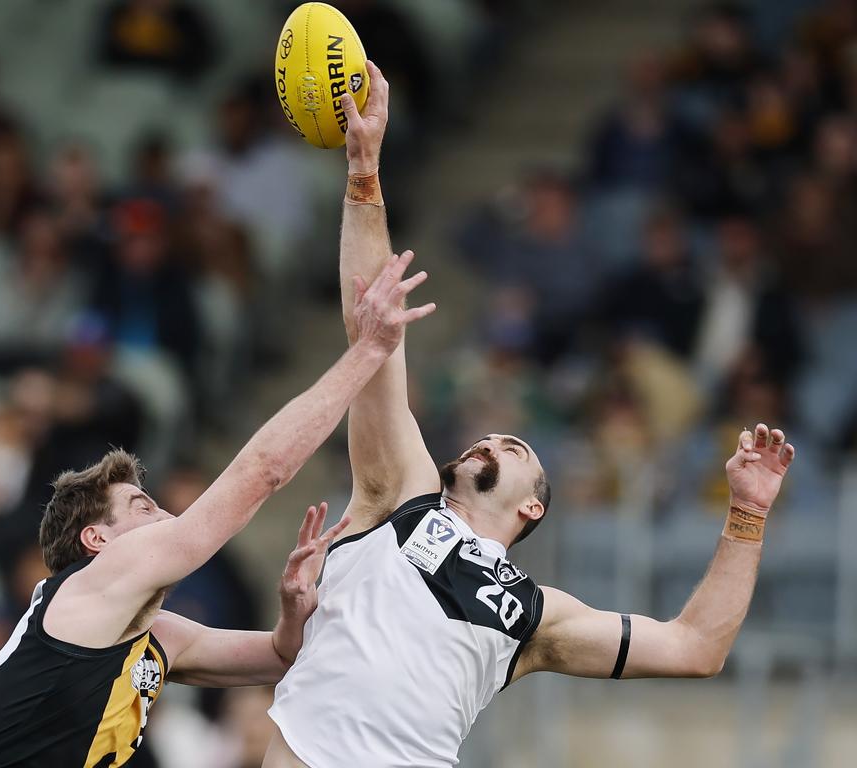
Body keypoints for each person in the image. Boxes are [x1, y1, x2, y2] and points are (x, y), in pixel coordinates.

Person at [263, 61, 798, 768]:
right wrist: (364, 168)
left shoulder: (538, 615)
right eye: (489, 437)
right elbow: (373, 326)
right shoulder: (402, 495)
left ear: (533, 512)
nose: (492, 438)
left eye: (516, 447)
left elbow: (695, 648)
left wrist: (748, 513)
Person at [0, 252, 435, 767]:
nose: (169, 517)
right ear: (97, 541)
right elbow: (261, 472)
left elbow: (281, 657)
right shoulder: (93, 584)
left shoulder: (156, 634)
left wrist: (292, 611)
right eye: (141, 505)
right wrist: (370, 349)